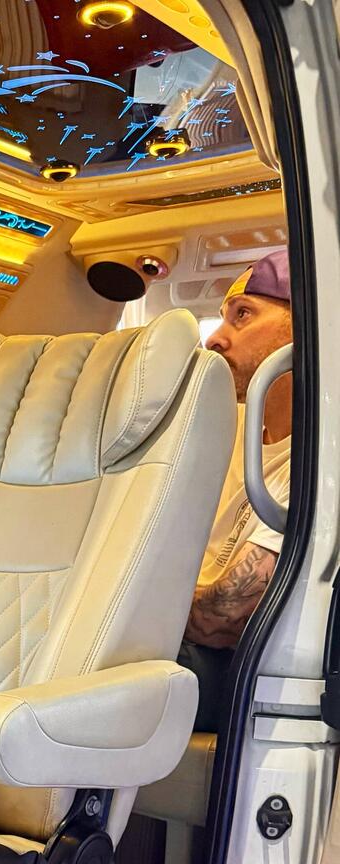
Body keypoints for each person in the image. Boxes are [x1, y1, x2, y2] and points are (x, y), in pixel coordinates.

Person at [179, 248, 292, 729]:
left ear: (309, 328)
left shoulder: (321, 458)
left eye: (242, 315)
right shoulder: (225, 426)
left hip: (235, 666)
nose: (215, 338)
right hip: (180, 635)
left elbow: (221, 619)